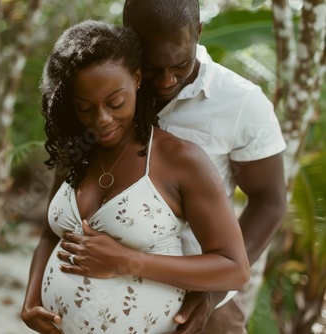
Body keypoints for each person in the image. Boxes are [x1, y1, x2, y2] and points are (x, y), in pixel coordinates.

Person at [21, 19, 250, 334]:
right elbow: (52, 235)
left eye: (115, 103)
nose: (102, 120)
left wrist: (124, 261)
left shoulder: (181, 161)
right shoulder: (76, 153)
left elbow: (234, 269)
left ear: (138, 79)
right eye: (85, 108)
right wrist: (31, 300)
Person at [110, 1, 285, 332]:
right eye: (151, 67)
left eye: (180, 64)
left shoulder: (242, 103)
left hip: (200, 301)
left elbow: (270, 201)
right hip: (112, 286)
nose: (165, 80)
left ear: (199, 32)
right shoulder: (108, 89)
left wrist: (212, 291)